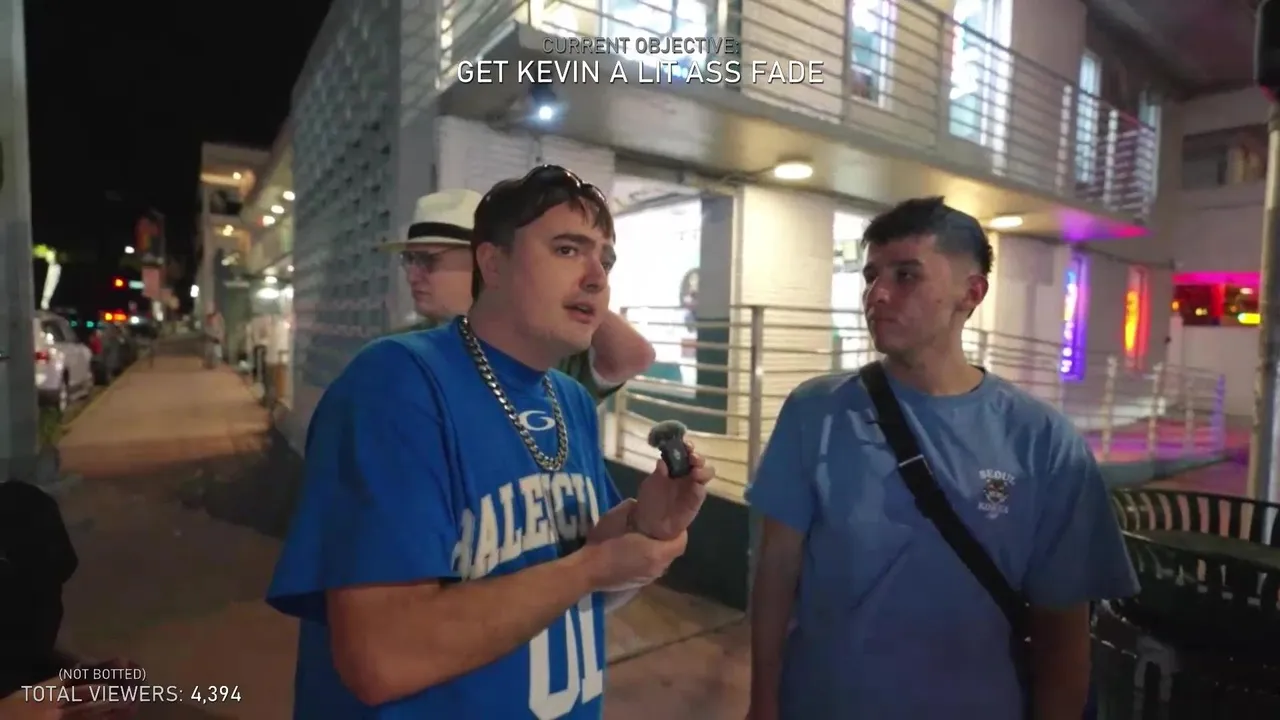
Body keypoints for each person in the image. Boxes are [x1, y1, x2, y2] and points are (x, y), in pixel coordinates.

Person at [266, 165, 715, 718]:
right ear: (493, 263)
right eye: (567, 250)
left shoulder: (570, 400)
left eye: (606, 260)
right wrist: (592, 568)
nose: (598, 278)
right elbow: (383, 656)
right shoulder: (395, 383)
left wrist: (646, 526)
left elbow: (582, 586)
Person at [745, 197, 1138, 720]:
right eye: (871, 276)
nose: (877, 294)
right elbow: (776, 570)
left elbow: (1063, 633)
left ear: (970, 293)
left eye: (906, 275)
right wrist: (763, 702)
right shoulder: (815, 412)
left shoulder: (1043, 443)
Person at [381, 188, 655, 401]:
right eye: (410, 259)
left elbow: (634, 355)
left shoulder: (542, 345)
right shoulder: (399, 351)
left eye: (427, 261)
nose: (412, 275)